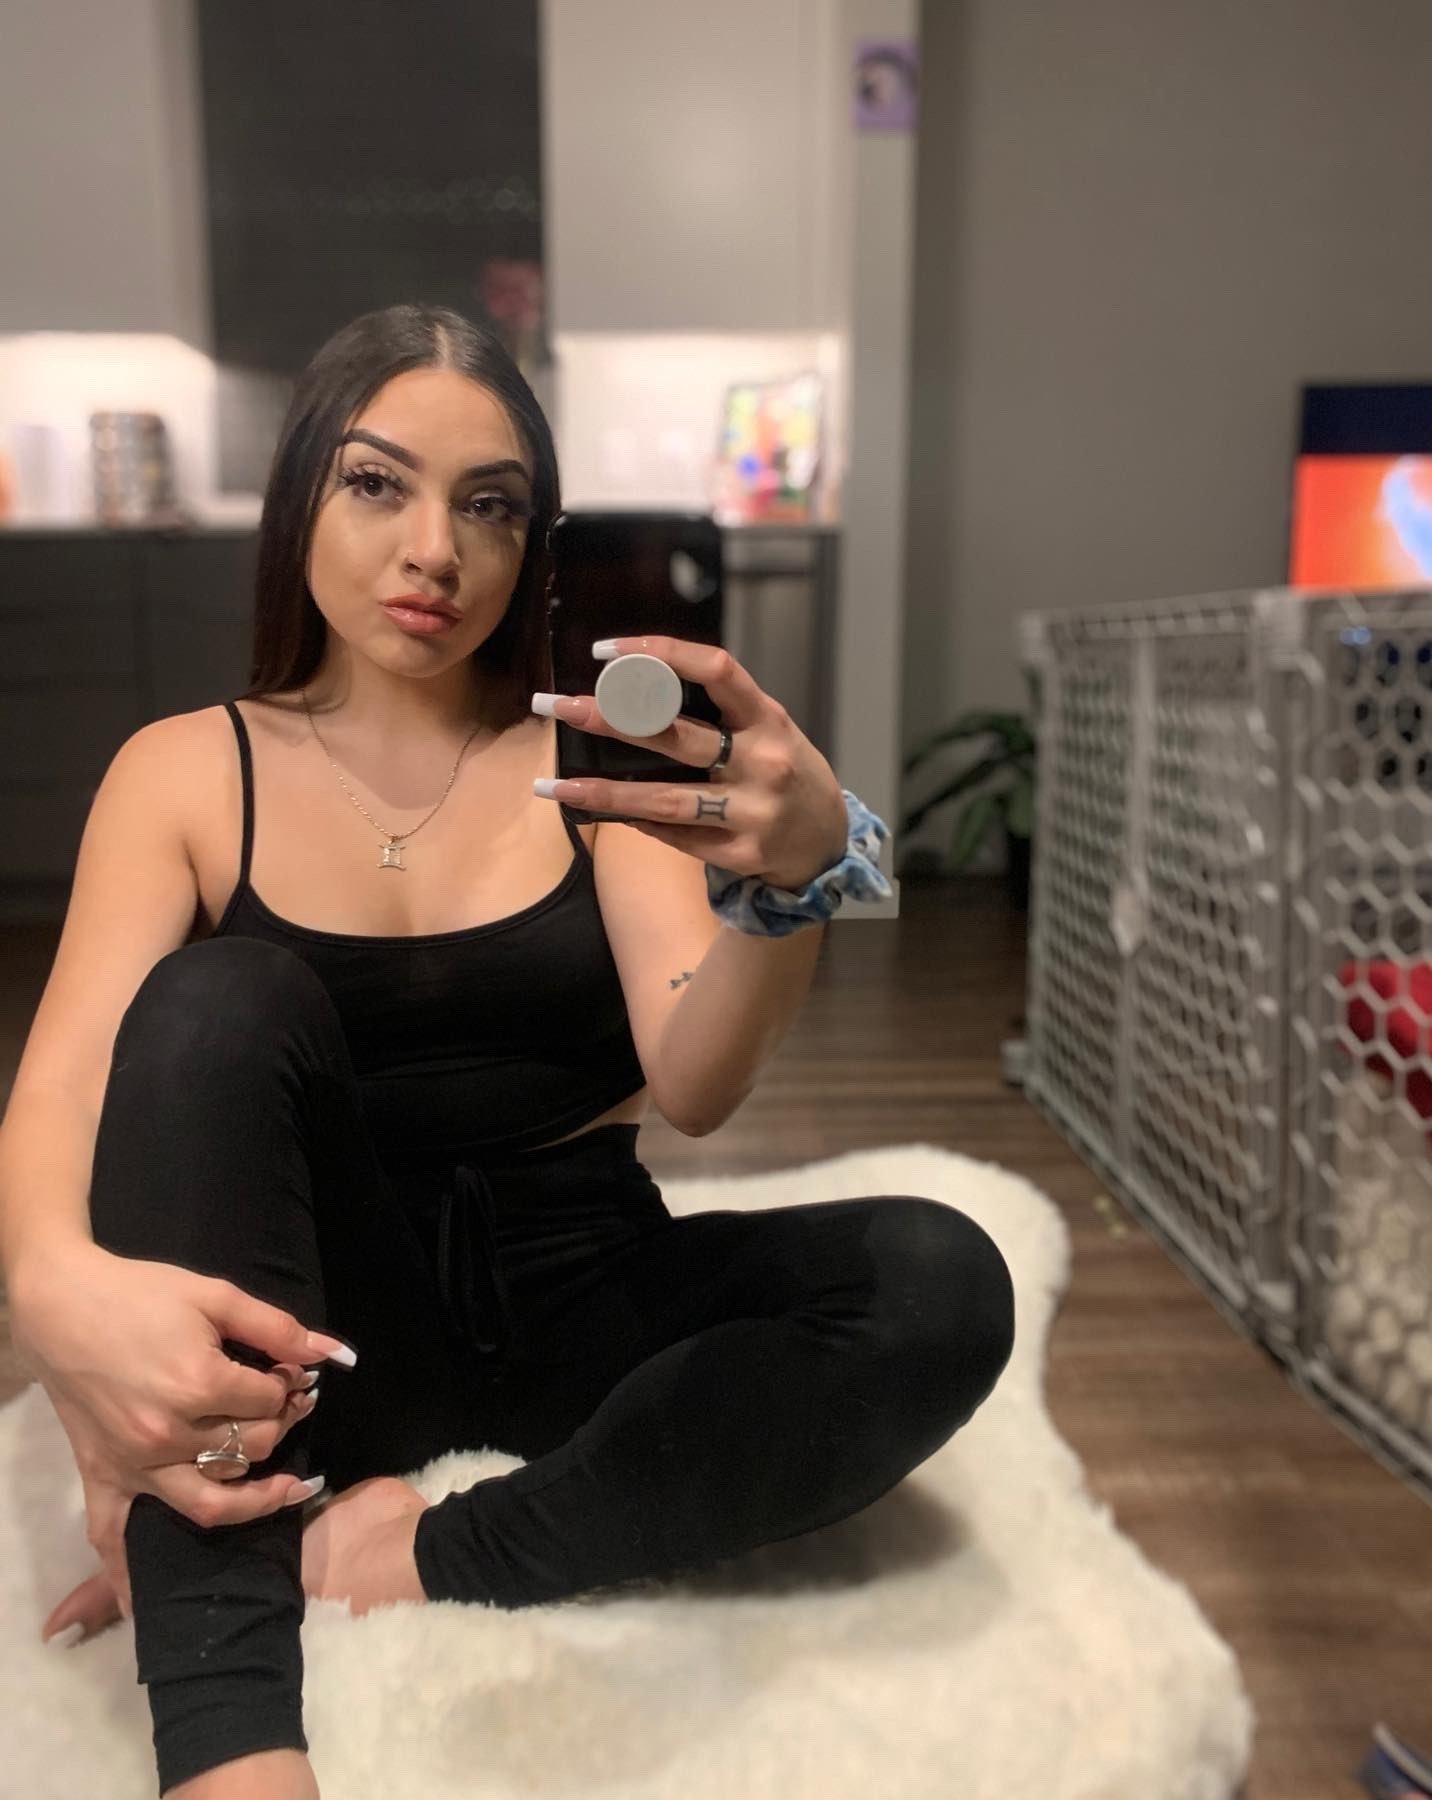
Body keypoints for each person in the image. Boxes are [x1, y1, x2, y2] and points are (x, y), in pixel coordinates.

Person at [0, 303, 1016, 1799]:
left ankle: (425, 1558)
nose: (436, 550)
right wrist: (54, 1297)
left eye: (489, 506)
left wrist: (783, 888)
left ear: (534, 543)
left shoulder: (593, 765)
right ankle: (231, 1746)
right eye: (377, 484)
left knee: (938, 1280)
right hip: (317, 1343)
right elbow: (63, 1091)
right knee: (216, 1001)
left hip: (581, 1294)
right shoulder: (184, 771)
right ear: (299, 500)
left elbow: (697, 1085)